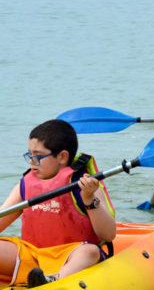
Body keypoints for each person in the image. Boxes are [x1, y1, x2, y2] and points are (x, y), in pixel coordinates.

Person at [0, 119, 116, 288]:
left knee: (89, 252)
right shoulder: (25, 184)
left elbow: (108, 235)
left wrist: (89, 198)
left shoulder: (84, 183)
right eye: (30, 155)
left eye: (38, 156)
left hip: (71, 257)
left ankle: (53, 280)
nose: (32, 161)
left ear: (62, 157)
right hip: (33, 257)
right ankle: (38, 277)